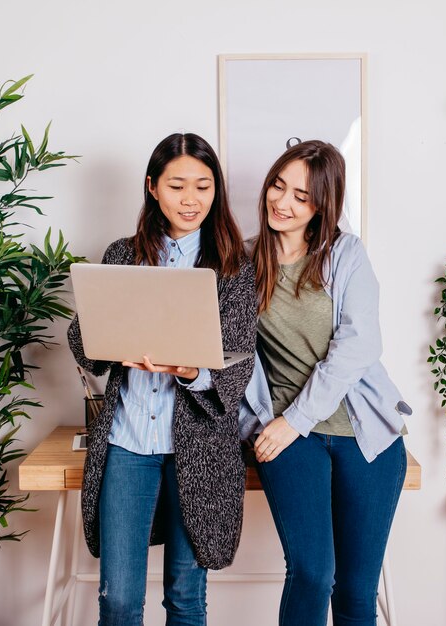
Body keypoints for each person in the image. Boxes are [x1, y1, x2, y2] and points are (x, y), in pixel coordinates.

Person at [68, 132, 257, 626]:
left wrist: (192, 371)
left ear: (216, 191)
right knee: (119, 601)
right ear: (152, 187)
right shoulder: (120, 254)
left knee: (185, 597)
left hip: (198, 451)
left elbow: (241, 361)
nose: (190, 200)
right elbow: (81, 339)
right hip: (128, 442)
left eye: (203, 186)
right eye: (177, 186)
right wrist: (112, 343)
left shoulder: (235, 265)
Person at [239, 139, 412, 626]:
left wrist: (298, 417)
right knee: (313, 574)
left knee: (357, 592)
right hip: (288, 437)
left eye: (301, 196)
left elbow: (358, 345)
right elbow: (226, 350)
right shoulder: (244, 263)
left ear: (321, 206)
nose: (283, 201)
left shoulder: (346, 254)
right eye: (278, 185)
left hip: (365, 436)